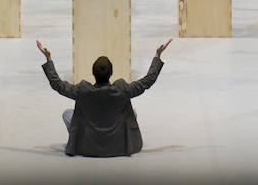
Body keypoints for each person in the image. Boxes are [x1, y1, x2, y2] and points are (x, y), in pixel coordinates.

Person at [37, 38, 172, 157]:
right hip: (119, 147)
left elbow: (57, 84)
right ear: (111, 73)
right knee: (131, 113)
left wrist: (48, 58)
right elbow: (148, 81)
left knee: (67, 114)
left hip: (86, 147)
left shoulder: (82, 91)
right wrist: (157, 55)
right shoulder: (122, 90)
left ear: (93, 73)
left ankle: (82, 139)